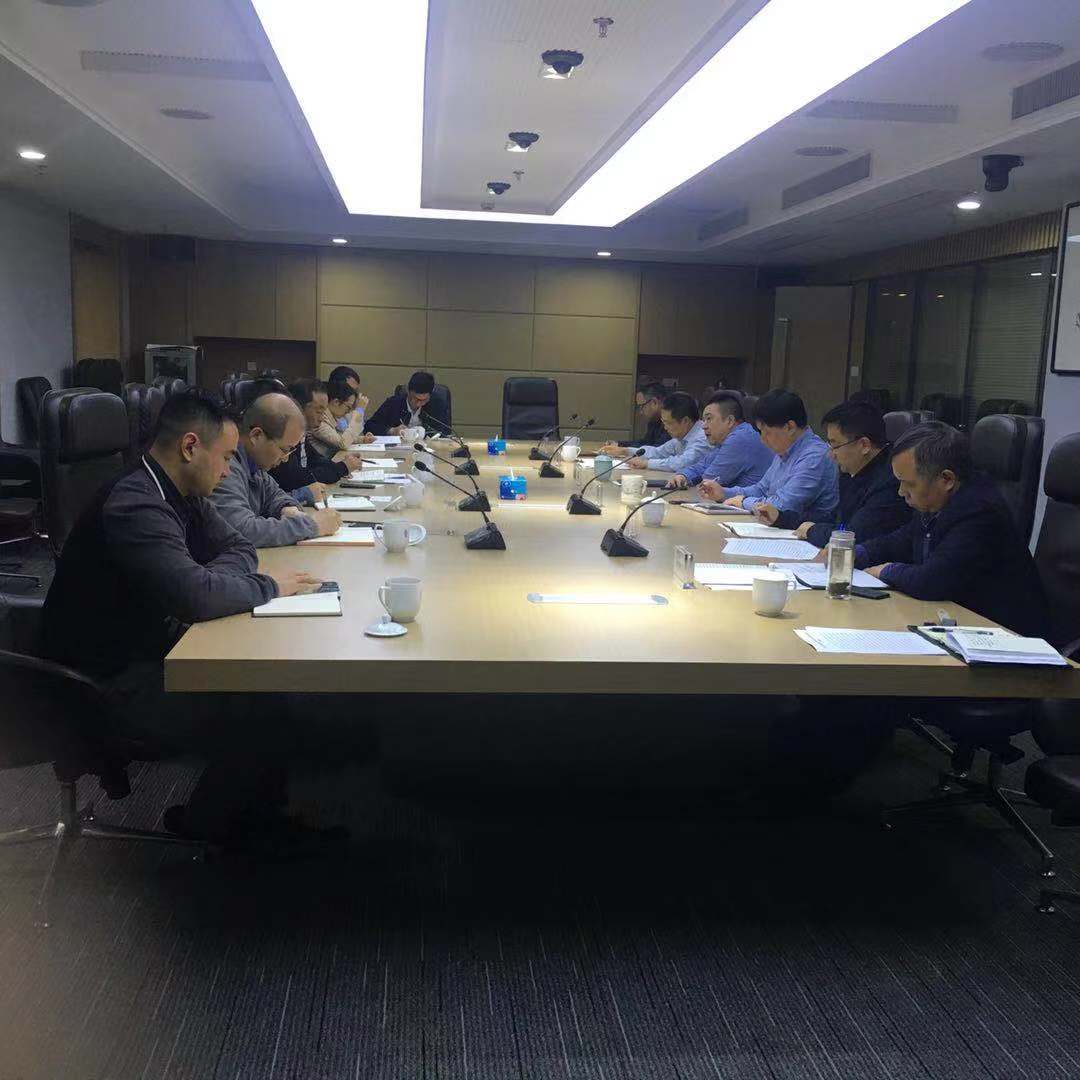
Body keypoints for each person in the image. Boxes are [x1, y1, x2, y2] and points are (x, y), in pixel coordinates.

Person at [41, 389, 325, 845]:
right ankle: (223, 829)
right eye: (226, 457)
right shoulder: (136, 503)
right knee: (259, 707)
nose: (230, 470)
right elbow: (197, 597)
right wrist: (266, 587)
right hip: (101, 681)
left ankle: (237, 817)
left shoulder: (182, 491)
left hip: (149, 646)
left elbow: (240, 548)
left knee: (265, 689)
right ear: (191, 447)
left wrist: (208, 581)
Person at [856, 421, 1050, 637]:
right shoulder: (937, 502)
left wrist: (886, 570)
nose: (901, 492)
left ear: (946, 479)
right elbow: (901, 540)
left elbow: (930, 581)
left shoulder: (980, 511)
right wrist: (859, 553)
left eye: (909, 484)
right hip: (962, 627)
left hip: (1007, 639)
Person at [771, 400, 909, 547]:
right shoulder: (852, 471)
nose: (831, 455)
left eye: (835, 446)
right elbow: (835, 519)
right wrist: (781, 518)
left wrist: (812, 531)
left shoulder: (891, 480)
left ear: (864, 445)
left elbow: (852, 535)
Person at [211, 392, 342, 547]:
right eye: (285, 450)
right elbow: (242, 530)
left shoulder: (255, 465)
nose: (285, 458)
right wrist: (312, 525)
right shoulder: (226, 467)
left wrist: (287, 508)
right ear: (256, 435)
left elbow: (275, 495)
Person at [702, 388, 838, 521]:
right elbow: (761, 489)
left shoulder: (814, 456)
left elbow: (783, 506)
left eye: (766, 432)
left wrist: (744, 502)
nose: (762, 440)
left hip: (805, 532)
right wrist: (724, 493)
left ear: (790, 427)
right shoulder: (785, 449)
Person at [269, 378, 361, 495]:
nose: (322, 418)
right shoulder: (284, 438)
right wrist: (341, 468)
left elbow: (315, 460)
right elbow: (298, 478)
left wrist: (342, 465)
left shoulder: (303, 434)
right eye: (319, 412)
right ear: (297, 407)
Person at [666, 392, 773, 490]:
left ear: (730, 421)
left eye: (709, 419)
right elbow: (703, 465)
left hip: (751, 503)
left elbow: (708, 482)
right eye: (703, 420)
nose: (704, 426)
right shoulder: (728, 439)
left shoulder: (740, 439)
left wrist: (688, 479)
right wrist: (683, 476)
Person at [599, 391, 707, 473]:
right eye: (663, 422)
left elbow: (683, 463)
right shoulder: (682, 436)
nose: (665, 428)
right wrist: (625, 451)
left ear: (685, 421)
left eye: (668, 423)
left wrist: (647, 463)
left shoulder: (703, 437)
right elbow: (657, 452)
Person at [366, 371, 448, 437]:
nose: (419, 404)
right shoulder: (393, 403)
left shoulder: (437, 405)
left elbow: (445, 432)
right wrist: (391, 431)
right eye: (416, 399)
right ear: (408, 391)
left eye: (424, 400)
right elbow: (369, 426)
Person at [309, 378, 374, 458]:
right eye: (348, 407)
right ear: (336, 402)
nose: (348, 412)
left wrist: (362, 439)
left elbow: (340, 437)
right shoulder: (319, 419)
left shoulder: (331, 416)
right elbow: (342, 443)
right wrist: (359, 411)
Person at [618, 382, 668, 448]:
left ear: (654, 402)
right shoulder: (654, 420)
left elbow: (658, 450)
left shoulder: (672, 421)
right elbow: (646, 443)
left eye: (641, 406)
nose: (641, 412)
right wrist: (619, 444)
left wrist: (625, 450)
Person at [326, 365, 370, 432]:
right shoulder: (329, 409)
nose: (354, 394)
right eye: (350, 389)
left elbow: (358, 434)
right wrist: (359, 410)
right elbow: (347, 436)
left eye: (355, 391)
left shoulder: (348, 406)